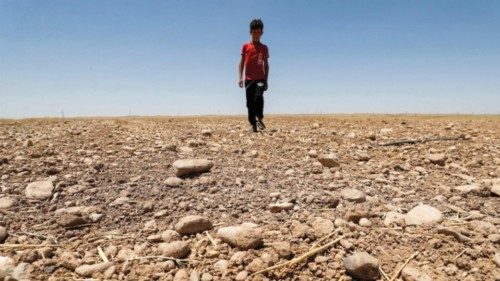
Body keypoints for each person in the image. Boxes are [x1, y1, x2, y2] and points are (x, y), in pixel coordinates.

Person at [238, 18, 269, 132]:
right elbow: (241, 62)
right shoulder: (245, 46)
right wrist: (240, 77)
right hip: (248, 79)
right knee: (249, 103)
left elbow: (266, 65)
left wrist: (266, 79)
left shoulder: (264, 48)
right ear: (250, 32)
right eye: (254, 32)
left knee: (259, 98)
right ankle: (253, 124)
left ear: (262, 33)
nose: (256, 34)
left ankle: (259, 117)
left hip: (260, 78)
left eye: (258, 32)